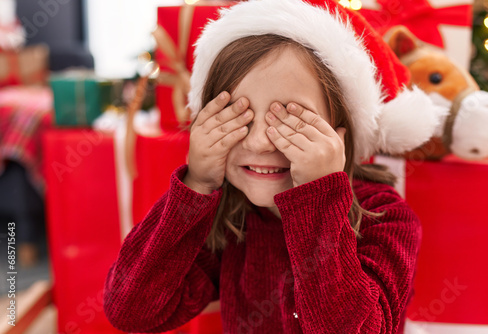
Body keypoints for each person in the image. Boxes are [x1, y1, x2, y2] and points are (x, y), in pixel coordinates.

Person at [103, 0, 444, 333]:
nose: (260, 144)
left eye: (291, 121)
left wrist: (318, 198)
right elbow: (131, 311)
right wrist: (196, 184)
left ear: (342, 132)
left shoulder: (386, 218)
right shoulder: (232, 217)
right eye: (237, 118)